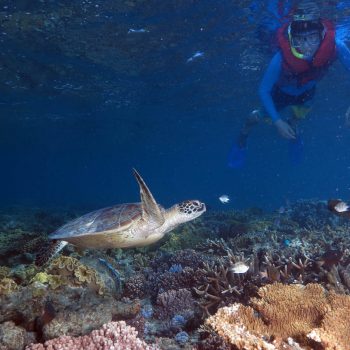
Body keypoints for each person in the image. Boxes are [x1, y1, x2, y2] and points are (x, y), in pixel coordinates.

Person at [228, 1, 350, 168]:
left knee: (294, 121)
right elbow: (264, 90)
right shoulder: (280, 58)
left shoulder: (336, 46)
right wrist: (277, 121)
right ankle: (243, 136)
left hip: (307, 94)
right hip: (280, 94)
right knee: (252, 119)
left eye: (312, 38)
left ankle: (293, 129)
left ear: (322, 35)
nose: (307, 47)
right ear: (293, 39)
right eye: (300, 40)